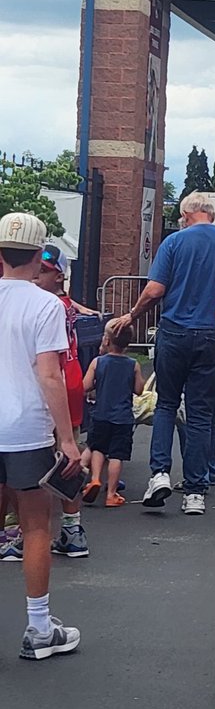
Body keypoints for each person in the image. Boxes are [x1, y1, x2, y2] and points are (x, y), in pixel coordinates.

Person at [108, 191, 215, 516]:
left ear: (185, 214)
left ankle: (159, 474)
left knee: (167, 404)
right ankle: (195, 491)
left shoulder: (175, 242)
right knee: (199, 413)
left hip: (175, 331)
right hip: (214, 335)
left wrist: (132, 315)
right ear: (210, 213)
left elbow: (155, 290)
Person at [0, 211, 81, 660]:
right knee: (35, 526)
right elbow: (49, 375)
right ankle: (38, 628)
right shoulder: (46, 305)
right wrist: (67, 440)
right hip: (27, 429)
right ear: (38, 254)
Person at [33, 246, 90, 557]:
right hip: (70, 377)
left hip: (57, 381)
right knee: (65, 458)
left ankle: (22, 529)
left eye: (44, 271)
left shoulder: (46, 305)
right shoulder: (62, 303)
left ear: (58, 275)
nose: (36, 275)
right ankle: (72, 527)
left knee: (49, 458)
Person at [81, 323, 144, 507]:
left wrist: (96, 385)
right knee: (117, 454)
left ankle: (94, 480)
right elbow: (139, 390)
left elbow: (85, 386)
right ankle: (111, 494)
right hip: (123, 418)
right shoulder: (133, 364)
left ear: (107, 340)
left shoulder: (98, 362)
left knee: (98, 448)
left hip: (100, 415)